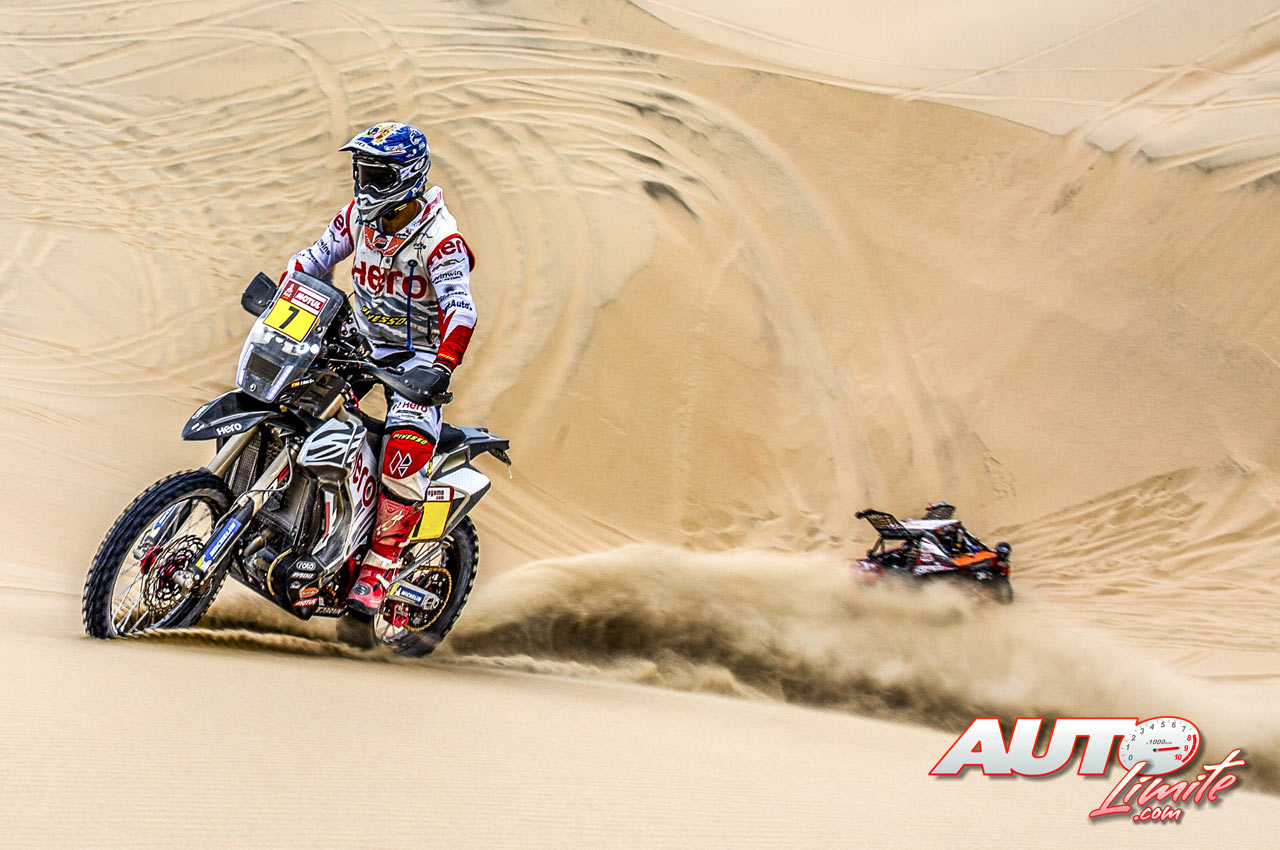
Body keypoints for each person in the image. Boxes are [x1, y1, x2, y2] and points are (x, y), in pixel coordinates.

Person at [280, 121, 477, 616]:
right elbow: (313, 260)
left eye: (378, 175)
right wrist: (285, 294)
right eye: (362, 172)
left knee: (403, 452)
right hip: (358, 340)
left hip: (416, 360)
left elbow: (461, 311)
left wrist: (441, 368)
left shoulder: (441, 240)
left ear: (408, 177)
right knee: (293, 404)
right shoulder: (356, 218)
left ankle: (380, 567)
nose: (365, 185)